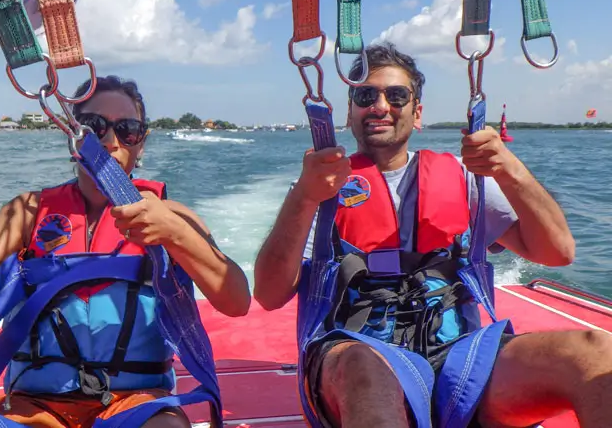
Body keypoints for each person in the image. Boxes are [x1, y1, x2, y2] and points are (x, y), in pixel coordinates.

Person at [254, 42, 612, 428]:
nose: (380, 105)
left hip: (461, 359)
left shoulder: (465, 177)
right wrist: (305, 196)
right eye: (365, 95)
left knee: (597, 353)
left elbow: (557, 252)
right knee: (367, 370)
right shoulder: (317, 192)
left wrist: (511, 171)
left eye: (396, 95)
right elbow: (270, 294)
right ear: (350, 111)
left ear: (417, 112)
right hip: (359, 353)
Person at [0, 75, 251, 428]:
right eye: (95, 127)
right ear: (74, 136)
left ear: (141, 143)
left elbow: (237, 301)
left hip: (138, 405)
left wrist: (176, 235)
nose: (111, 141)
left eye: (127, 129)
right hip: (36, 406)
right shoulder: (26, 213)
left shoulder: (172, 215)